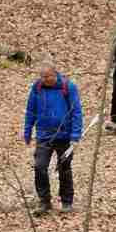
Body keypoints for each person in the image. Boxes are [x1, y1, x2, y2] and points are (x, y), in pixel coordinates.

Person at [24, 63, 83, 215]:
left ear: (55, 74)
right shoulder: (37, 88)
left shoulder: (68, 87)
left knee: (64, 168)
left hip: (65, 135)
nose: (45, 80)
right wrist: (27, 130)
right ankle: (44, 201)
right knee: (39, 166)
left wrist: (75, 135)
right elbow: (30, 110)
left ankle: (66, 202)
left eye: (48, 76)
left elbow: (76, 111)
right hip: (44, 135)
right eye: (42, 77)